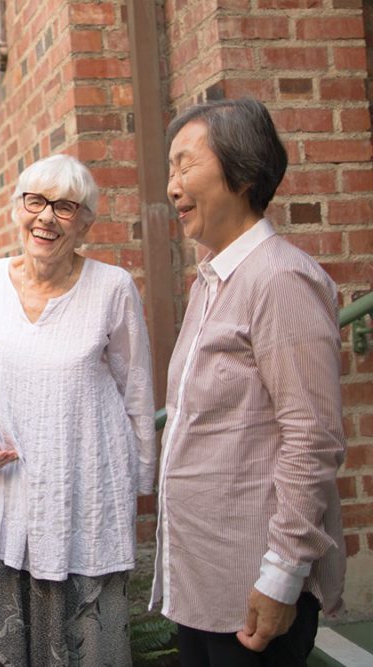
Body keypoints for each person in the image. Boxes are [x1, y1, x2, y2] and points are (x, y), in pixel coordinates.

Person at [151, 97, 346, 666]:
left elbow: (311, 438)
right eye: (169, 169)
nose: (172, 186)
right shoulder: (209, 282)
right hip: (205, 582)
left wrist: (283, 574)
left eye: (186, 165)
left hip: (254, 586)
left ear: (242, 171)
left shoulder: (281, 279)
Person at [0, 154, 156, 666]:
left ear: (86, 222)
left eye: (66, 207)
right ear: (16, 208)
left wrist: (142, 487)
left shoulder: (112, 288)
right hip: (3, 495)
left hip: (83, 497)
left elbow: (137, 392)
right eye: (35, 201)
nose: (46, 217)